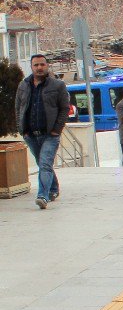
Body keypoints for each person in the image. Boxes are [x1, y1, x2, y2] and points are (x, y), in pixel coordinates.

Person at [14, 54, 69, 209]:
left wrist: (56, 129)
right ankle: (53, 188)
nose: (39, 68)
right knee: (43, 163)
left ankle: (42, 196)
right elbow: (18, 108)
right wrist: (22, 129)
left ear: (47, 66)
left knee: (44, 163)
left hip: (50, 135)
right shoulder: (23, 85)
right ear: (31, 67)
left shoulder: (57, 85)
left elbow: (64, 109)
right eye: (36, 65)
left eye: (42, 65)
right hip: (31, 135)